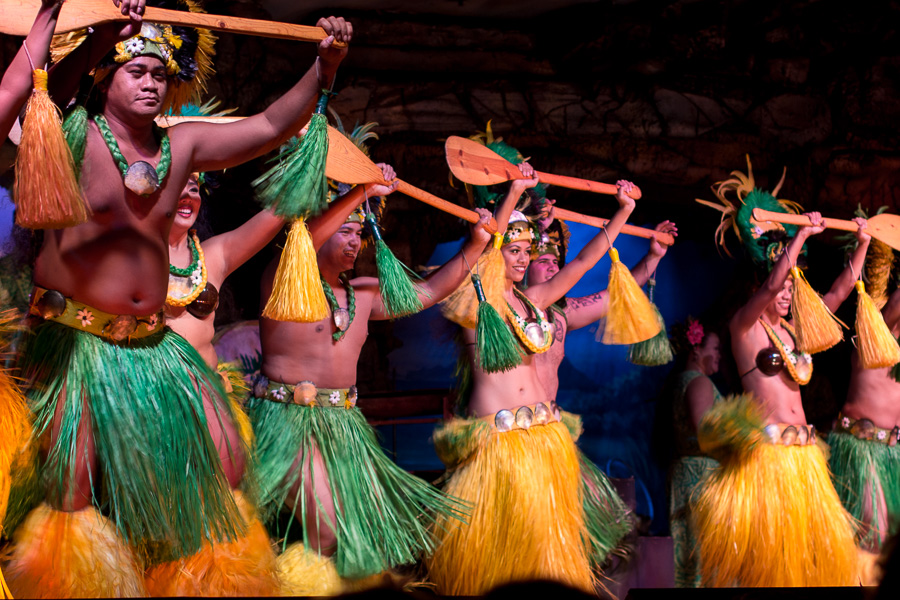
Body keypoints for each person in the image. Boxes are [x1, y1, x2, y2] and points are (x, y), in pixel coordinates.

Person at [4, 3, 354, 596]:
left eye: (159, 74)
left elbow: (271, 125)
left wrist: (324, 68)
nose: (149, 82)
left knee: (222, 464)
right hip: (78, 346)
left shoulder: (181, 146)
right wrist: (59, 23)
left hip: (155, 349)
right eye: (135, 70)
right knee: (73, 491)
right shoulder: (69, 134)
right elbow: (15, 97)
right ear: (105, 76)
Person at [249, 178, 491, 592]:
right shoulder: (281, 283)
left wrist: (475, 246)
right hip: (287, 423)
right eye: (344, 229)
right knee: (324, 528)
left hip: (344, 428)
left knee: (355, 536)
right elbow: (304, 243)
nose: (353, 241)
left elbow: (429, 291)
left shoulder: (363, 295)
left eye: (359, 232)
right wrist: (360, 193)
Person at [426, 161, 635, 596]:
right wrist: (516, 191)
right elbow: (484, 251)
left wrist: (623, 213)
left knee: (546, 553)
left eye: (526, 252)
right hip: (498, 448)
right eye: (513, 251)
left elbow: (582, 261)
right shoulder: (475, 303)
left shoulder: (536, 301)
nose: (521, 260)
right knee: (499, 556)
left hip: (545, 441)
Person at [694, 208, 870, 587]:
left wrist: (863, 244)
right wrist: (802, 235)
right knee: (771, 561)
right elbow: (772, 286)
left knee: (811, 556)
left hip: (805, 458)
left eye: (795, 287)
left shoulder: (796, 333)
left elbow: (841, 291)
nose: (788, 293)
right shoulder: (745, 327)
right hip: (769, 459)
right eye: (786, 286)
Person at [526, 209, 677, 401]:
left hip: (549, 420)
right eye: (542, 261)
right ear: (523, 267)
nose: (552, 267)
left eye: (556, 261)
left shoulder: (564, 312)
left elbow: (618, 293)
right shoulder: (511, 306)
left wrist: (654, 256)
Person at [830, 242, 900, 552]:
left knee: (887, 540)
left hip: (891, 452)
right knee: (872, 537)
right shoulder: (874, 333)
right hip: (862, 450)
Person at [666, 319, 722, 587]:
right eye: (715, 348)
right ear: (696, 351)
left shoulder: (679, 381)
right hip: (701, 478)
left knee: (691, 553)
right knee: (703, 554)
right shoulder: (699, 382)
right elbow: (704, 431)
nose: (719, 355)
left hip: (686, 475)